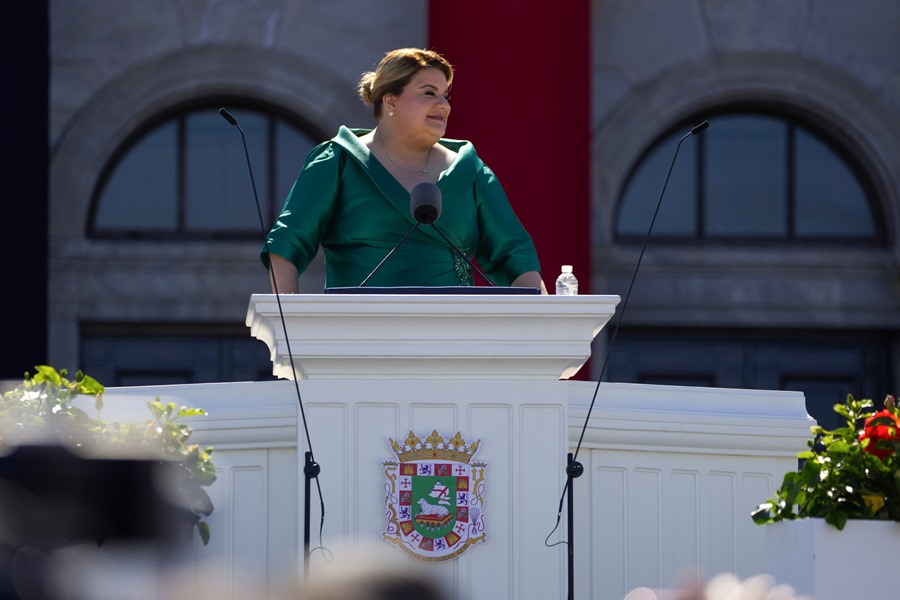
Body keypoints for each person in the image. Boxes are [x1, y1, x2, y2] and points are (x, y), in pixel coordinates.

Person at [262, 47, 547, 293]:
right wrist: (289, 326)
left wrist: (545, 324)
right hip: (357, 336)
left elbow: (515, 256)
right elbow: (286, 246)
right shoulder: (338, 161)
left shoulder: (471, 171)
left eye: (446, 96)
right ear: (390, 101)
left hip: (457, 336)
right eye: (429, 93)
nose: (444, 105)